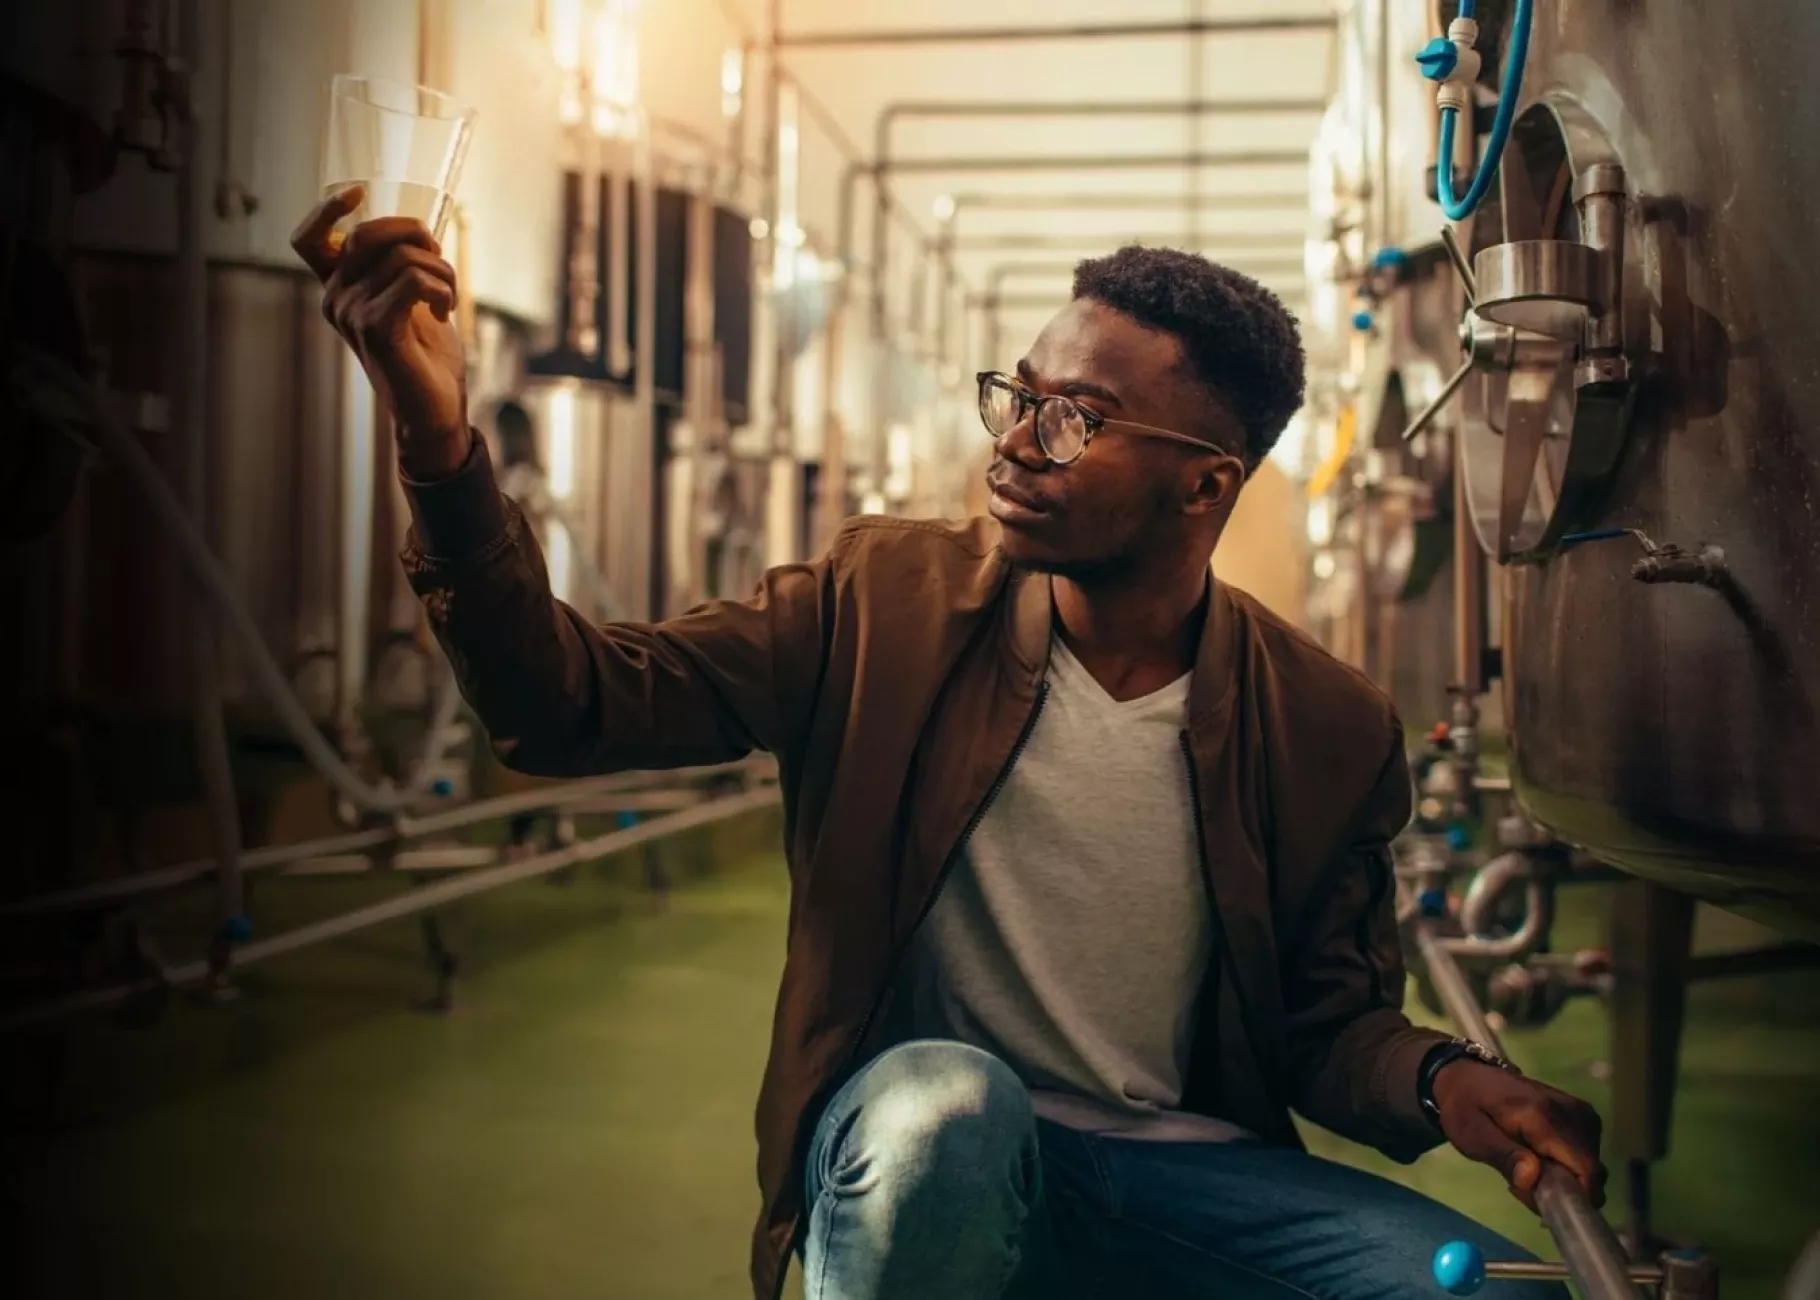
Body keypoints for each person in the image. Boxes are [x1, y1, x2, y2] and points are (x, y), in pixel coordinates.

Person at [293, 188, 1605, 1300]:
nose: (1016, 445)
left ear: (1206, 482)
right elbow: (562, 703)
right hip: (921, 1151)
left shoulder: (1325, 722)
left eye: (1075, 420)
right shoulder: (885, 604)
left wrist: (1444, 1082)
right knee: (950, 1122)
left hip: (1185, 1174)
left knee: (1485, 1288)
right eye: (1019, 397)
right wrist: (437, 442)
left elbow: (1327, 1026)